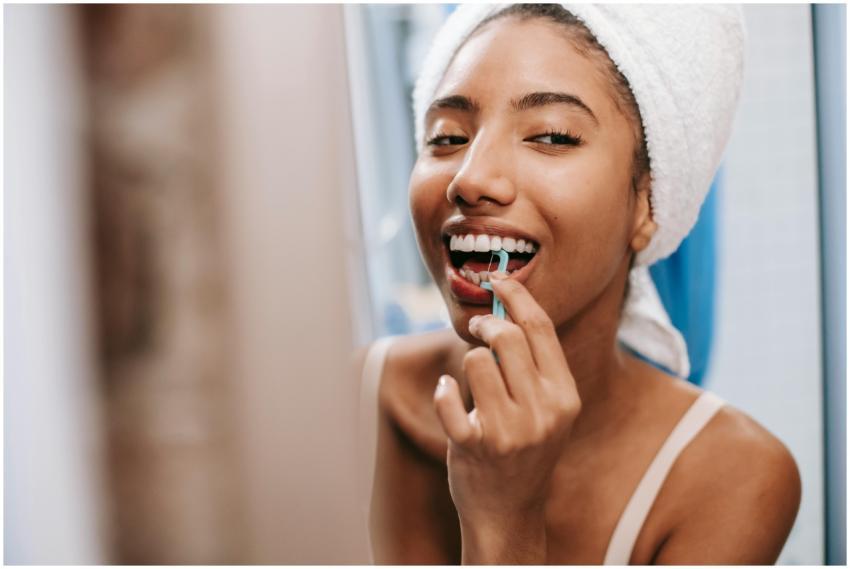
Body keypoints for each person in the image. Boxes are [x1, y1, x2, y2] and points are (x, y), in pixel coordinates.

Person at [356, 4, 801, 564]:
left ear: (648, 201)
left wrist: (505, 519)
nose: (469, 179)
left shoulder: (734, 479)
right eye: (446, 138)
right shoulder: (348, 402)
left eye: (552, 136)